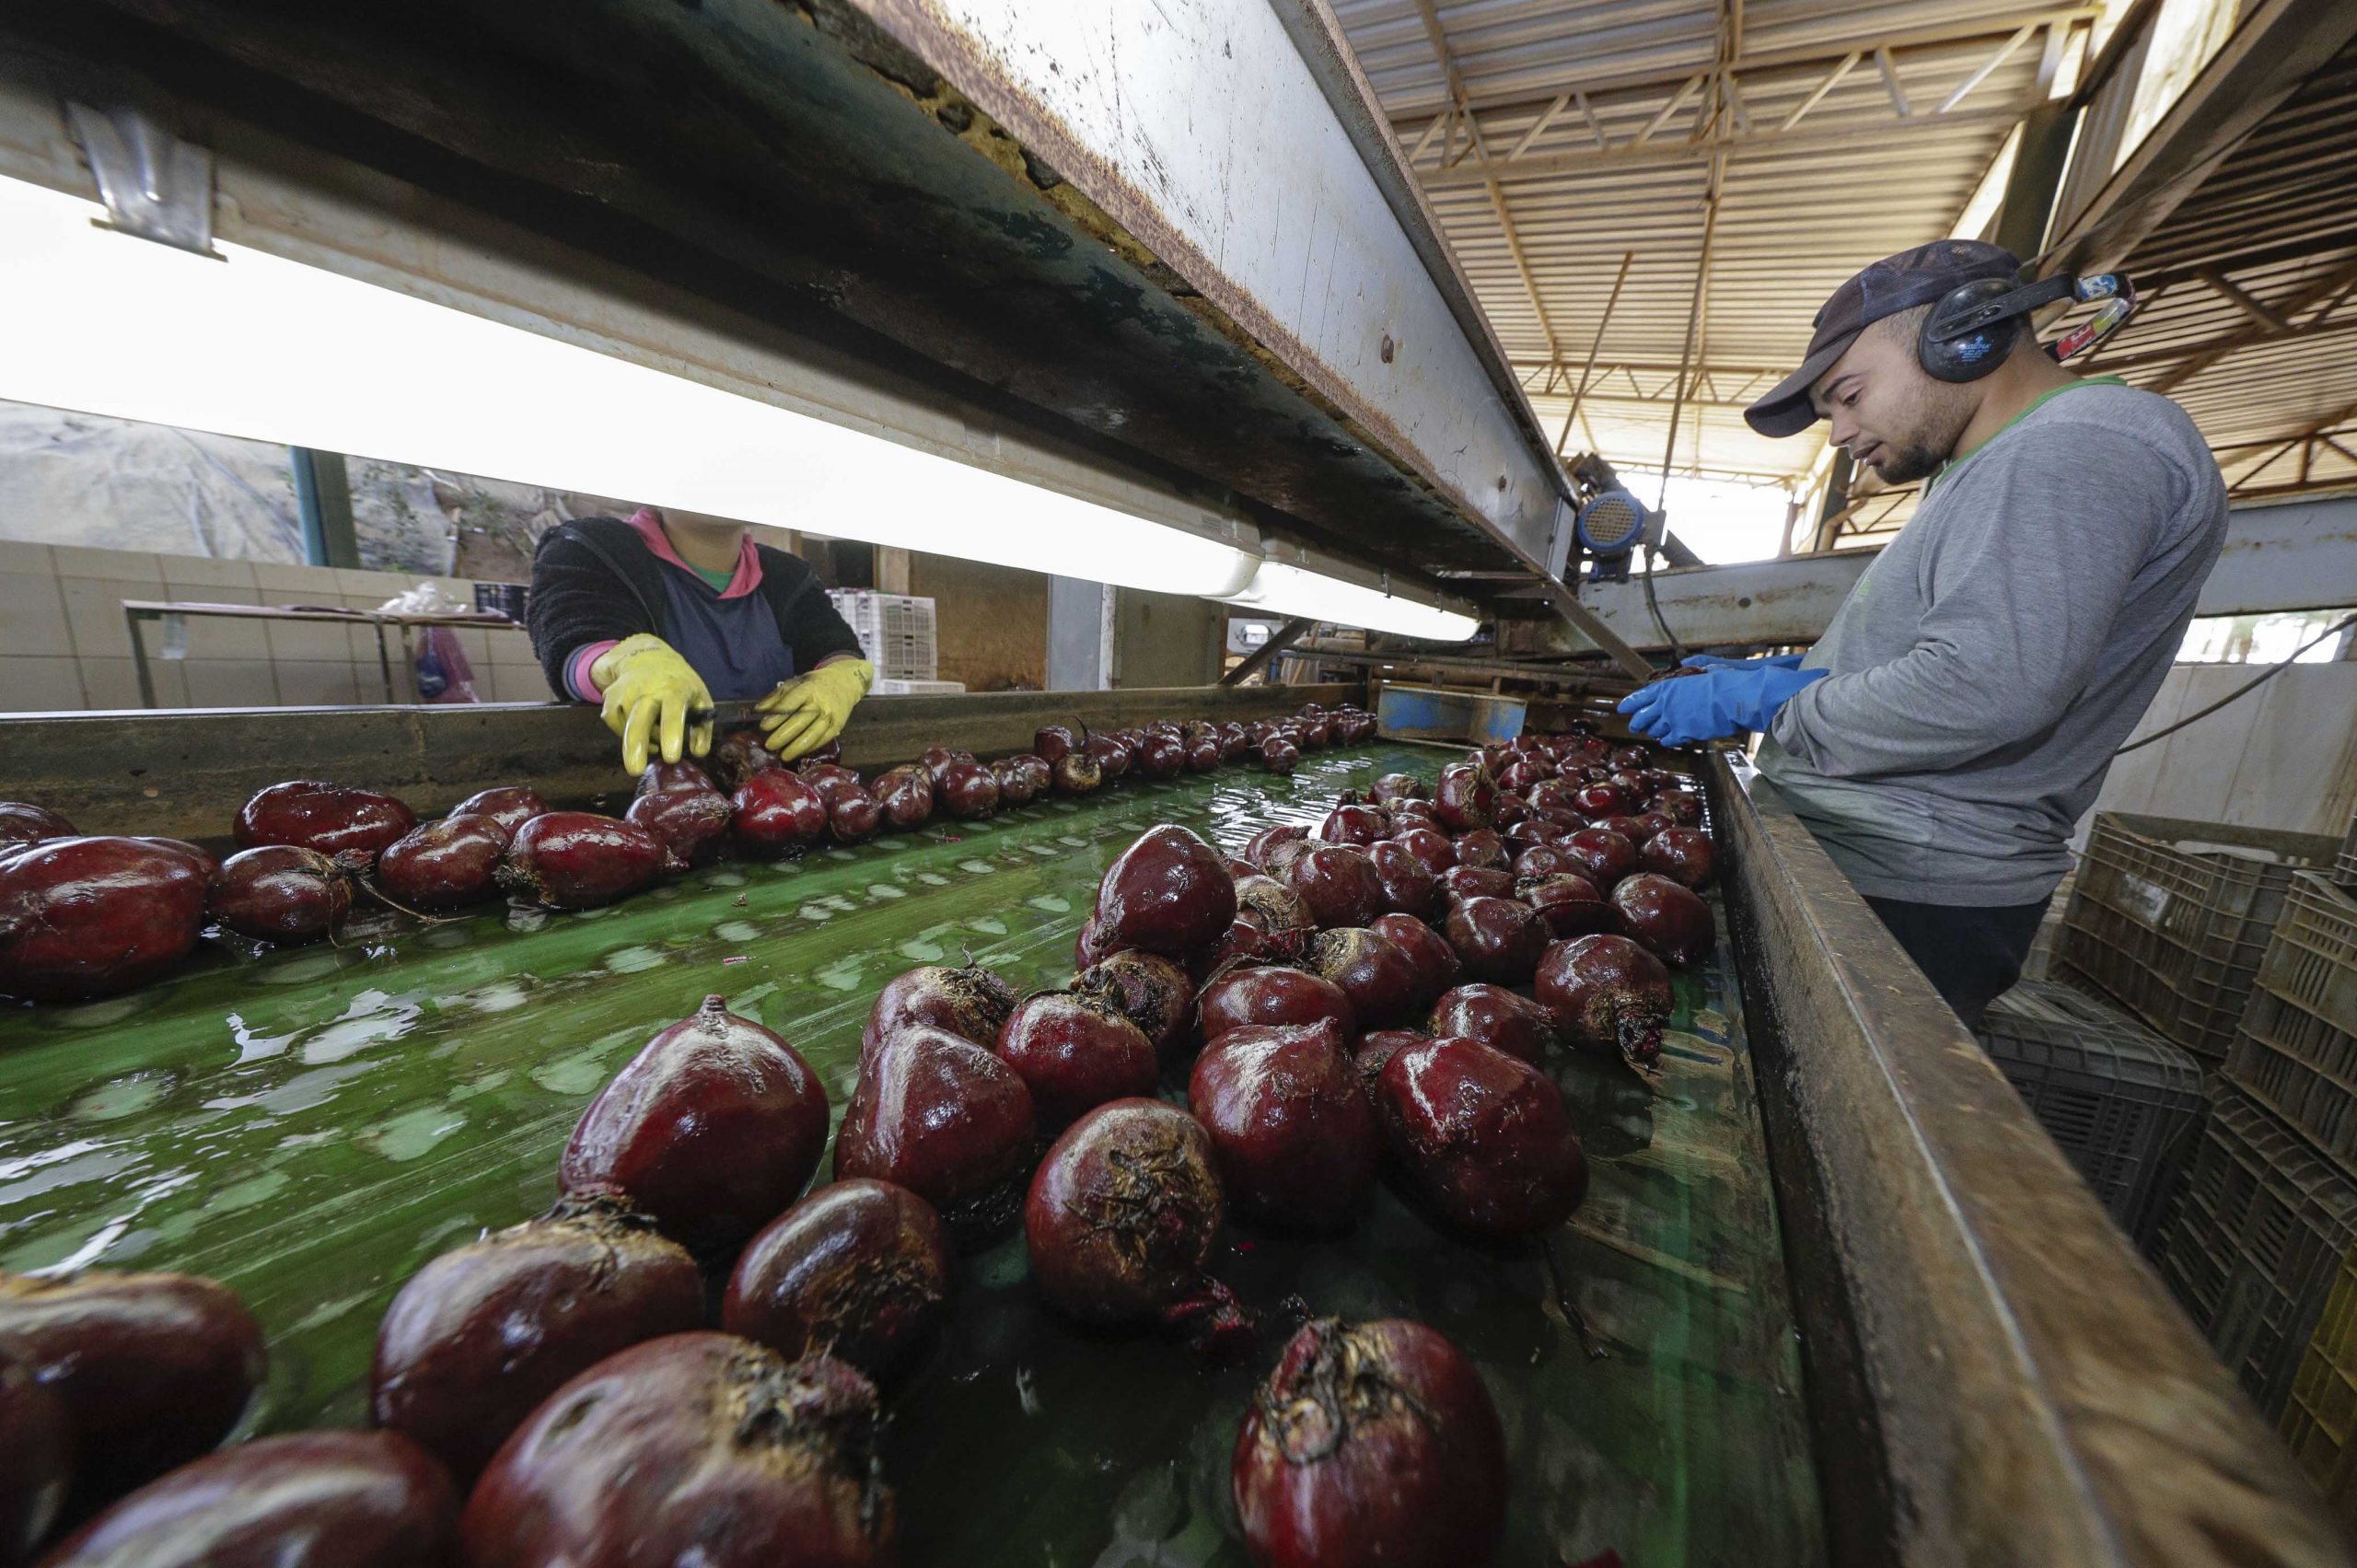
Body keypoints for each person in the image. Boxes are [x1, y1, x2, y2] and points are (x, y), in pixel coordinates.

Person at [1618, 240, 2227, 1026]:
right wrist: (1810, 671)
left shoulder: (2071, 447)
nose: (1838, 433)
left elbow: (1988, 686)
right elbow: (1974, 651)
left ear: (1963, 334)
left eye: (1849, 393)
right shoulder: (2004, 461)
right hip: (1886, 866)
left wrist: (1775, 701)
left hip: (1910, 889)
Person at [528, 505, 874, 774]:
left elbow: (833, 648)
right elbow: (571, 641)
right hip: (639, 804)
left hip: (771, 803)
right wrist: (626, 662)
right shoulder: (592, 549)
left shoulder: (789, 576)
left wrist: (843, 676)